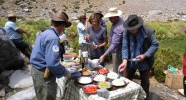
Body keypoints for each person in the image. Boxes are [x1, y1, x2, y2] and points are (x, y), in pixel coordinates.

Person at [30, 11, 71, 100]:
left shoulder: (45, 33)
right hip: (43, 73)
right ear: (62, 25)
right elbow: (52, 63)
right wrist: (65, 72)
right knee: (48, 97)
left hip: (37, 70)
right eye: (65, 27)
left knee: (41, 96)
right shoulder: (53, 37)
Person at [118, 15, 159, 98]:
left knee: (145, 83)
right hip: (131, 60)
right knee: (127, 80)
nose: (132, 31)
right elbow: (125, 46)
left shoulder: (148, 32)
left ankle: (144, 97)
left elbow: (155, 45)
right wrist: (125, 60)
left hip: (145, 61)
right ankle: (128, 97)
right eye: (131, 29)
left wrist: (145, 55)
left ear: (139, 26)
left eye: (134, 28)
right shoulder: (126, 32)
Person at [99, 7, 125, 73]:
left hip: (118, 52)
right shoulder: (118, 21)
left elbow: (114, 44)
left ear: (116, 16)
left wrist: (104, 55)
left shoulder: (119, 28)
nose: (109, 19)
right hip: (117, 50)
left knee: (117, 71)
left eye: (111, 17)